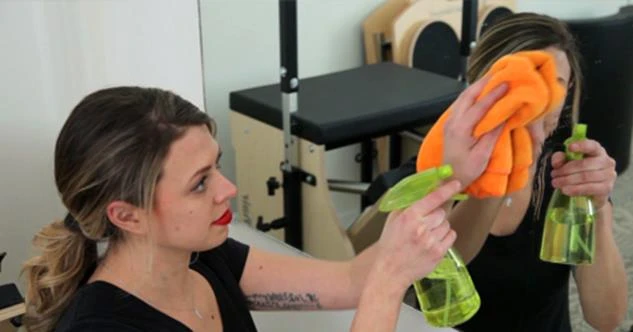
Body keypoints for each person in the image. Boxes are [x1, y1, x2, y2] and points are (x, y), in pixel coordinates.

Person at [21, 86, 462, 332]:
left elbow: (348, 282)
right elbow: (373, 286)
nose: (228, 189)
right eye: (200, 183)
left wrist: (452, 177)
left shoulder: (205, 258)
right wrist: (389, 283)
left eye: (217, 167)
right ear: (127, 216)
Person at [436, 13, 628, 331]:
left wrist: (600, 209)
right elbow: (437, 271)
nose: (540, 98)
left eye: (556, 83)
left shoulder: (562, 176)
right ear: (481, 84)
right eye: (529, 79)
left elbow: (605, 318)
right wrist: (502, 175)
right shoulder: (439, 170)